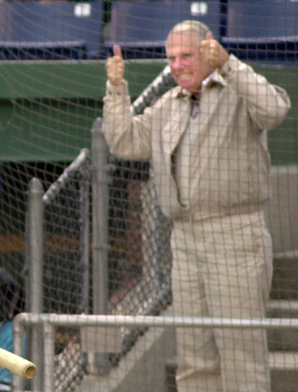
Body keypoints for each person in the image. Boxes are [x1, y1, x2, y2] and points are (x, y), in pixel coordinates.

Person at [103, 20, 291, 392]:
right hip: (185, 241)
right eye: (171, 57)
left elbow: (275, 110)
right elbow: (123, 142)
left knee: (241, 355)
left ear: (208, 50)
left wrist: (229, 64)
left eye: (186, 55)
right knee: (193, 358)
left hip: (235, 237)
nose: (177, 65)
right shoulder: (166, 106)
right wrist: (115, 89)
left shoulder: (237, 91)